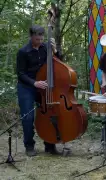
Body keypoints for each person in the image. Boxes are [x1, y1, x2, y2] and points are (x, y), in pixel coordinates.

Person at [16, 25, 62, 156]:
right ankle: (29, 145)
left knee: (50, 114)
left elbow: (58, 62)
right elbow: (20, 74)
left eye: (42, 39)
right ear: (31, 37)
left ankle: (50, 144)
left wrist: (55, 50)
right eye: (37, 39)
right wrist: (34, 83)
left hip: (43, 87)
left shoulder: (46, 47)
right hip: (27, 87)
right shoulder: (23, 52)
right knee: (28, 117)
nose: (40, 42)